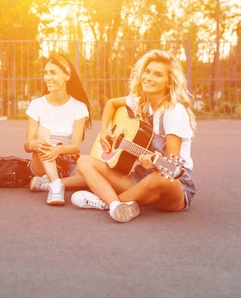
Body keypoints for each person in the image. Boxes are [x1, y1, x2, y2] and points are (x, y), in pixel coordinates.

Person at [72, 49, 197, 223]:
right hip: (141, 177)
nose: (149, 77)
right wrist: (104, 131)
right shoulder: (142, 102)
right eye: (147, 71)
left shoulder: (173, 112)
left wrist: (154, 162)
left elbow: (172, 162)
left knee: (158, 178)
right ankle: (118, 205)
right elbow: (111, 104)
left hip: (173, 181)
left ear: (169, 82)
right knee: (84, 161)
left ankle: (107, 202)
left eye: (158, 75)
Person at [24, 52, 92, 205]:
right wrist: (32, 144)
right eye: (45, 73)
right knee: (43, 131)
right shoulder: (36, 105)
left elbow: (75, 147)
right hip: (41, 163)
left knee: (92, 176)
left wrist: (58, 151)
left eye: (53, 73)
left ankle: (49, 184)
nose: (47, 77)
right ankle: (55, 184)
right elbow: (27, 144)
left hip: (67, 161)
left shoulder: (79, 107)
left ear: (67, 76)